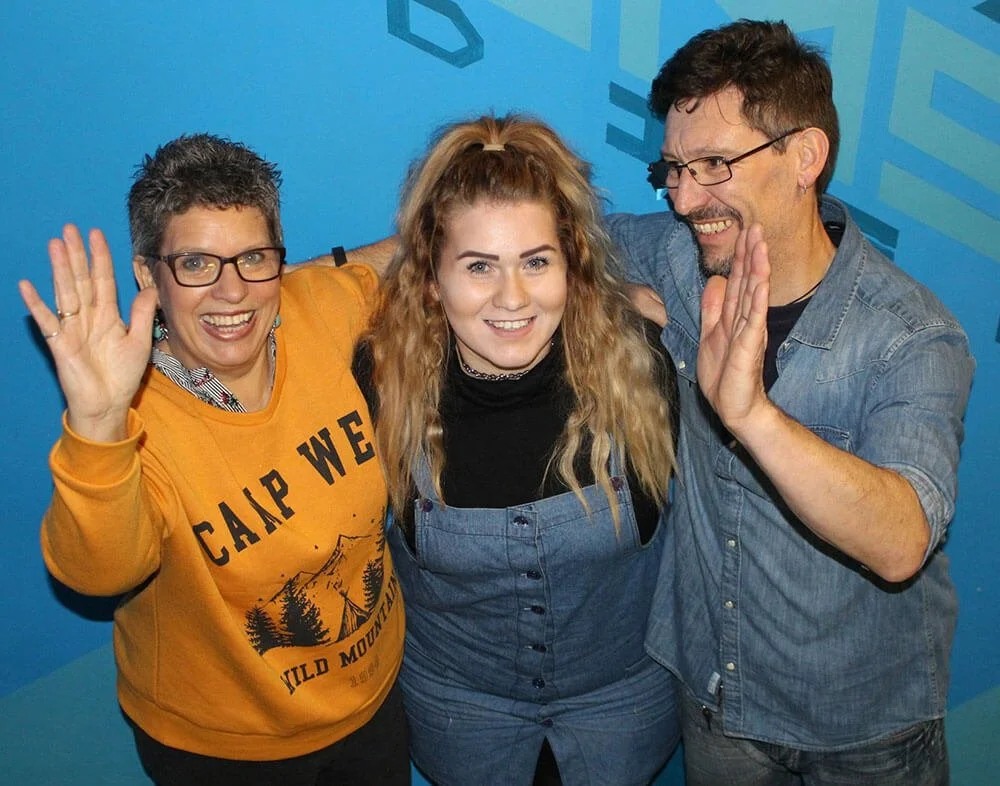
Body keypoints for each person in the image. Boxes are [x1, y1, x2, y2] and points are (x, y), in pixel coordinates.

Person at [606, 19, 975, 785]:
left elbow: (902, 539)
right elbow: (532, 236)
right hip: (717, 698)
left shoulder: (910, 334)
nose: (685, 199)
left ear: (805, 156)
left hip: (864, 726)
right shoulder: (677, 260)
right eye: (673, 169)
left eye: (714, 164)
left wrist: (751, 416)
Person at [18, 134, 409, 786]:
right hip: (227, 750)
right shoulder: (136, 417)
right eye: (197, 264)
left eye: (252, 258)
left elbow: (384, 264)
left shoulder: (318, 309)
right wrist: (99, 424)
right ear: (149, 276)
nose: (232, 291)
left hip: (373, 704)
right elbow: (99, 574)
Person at [355, 114, 680, 785]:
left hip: (623, 715)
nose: (513, 298)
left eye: (536, 262)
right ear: (431, 279)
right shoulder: (381, 384)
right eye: (479, 266)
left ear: (572, 267)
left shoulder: (642, 366)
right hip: (459, 721)